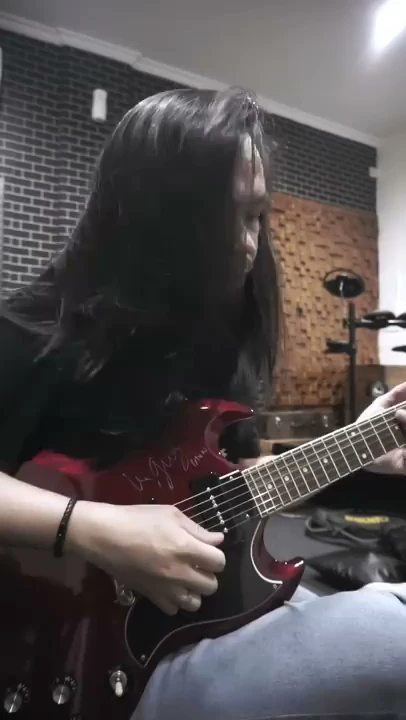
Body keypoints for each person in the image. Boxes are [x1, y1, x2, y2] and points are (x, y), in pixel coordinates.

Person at [0, 87, 406, 720]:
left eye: (256, 216)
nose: (248, 244)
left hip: (211, 620)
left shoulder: (218, 335)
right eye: (226, 218)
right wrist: (90, 529)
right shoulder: (35, 328)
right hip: (82, 667)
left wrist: (355, 447)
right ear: (153, 214)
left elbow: (225, 487)